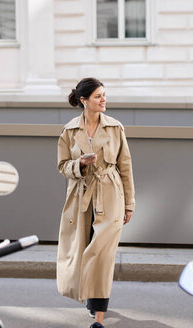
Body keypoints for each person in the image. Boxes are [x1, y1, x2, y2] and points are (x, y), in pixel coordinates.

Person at [56, 77, 136, 328]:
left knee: (102, 253)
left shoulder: (115, 128)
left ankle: (99, 317)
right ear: (84, 101)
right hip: (80, 196)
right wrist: (79, 164)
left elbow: (126, 166)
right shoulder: (69, 131)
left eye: (104, 95)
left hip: (111, 194)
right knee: (82, 249)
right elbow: (62, 166)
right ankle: (92, 297)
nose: (104, 100)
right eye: (98, 96)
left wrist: (129, 203)